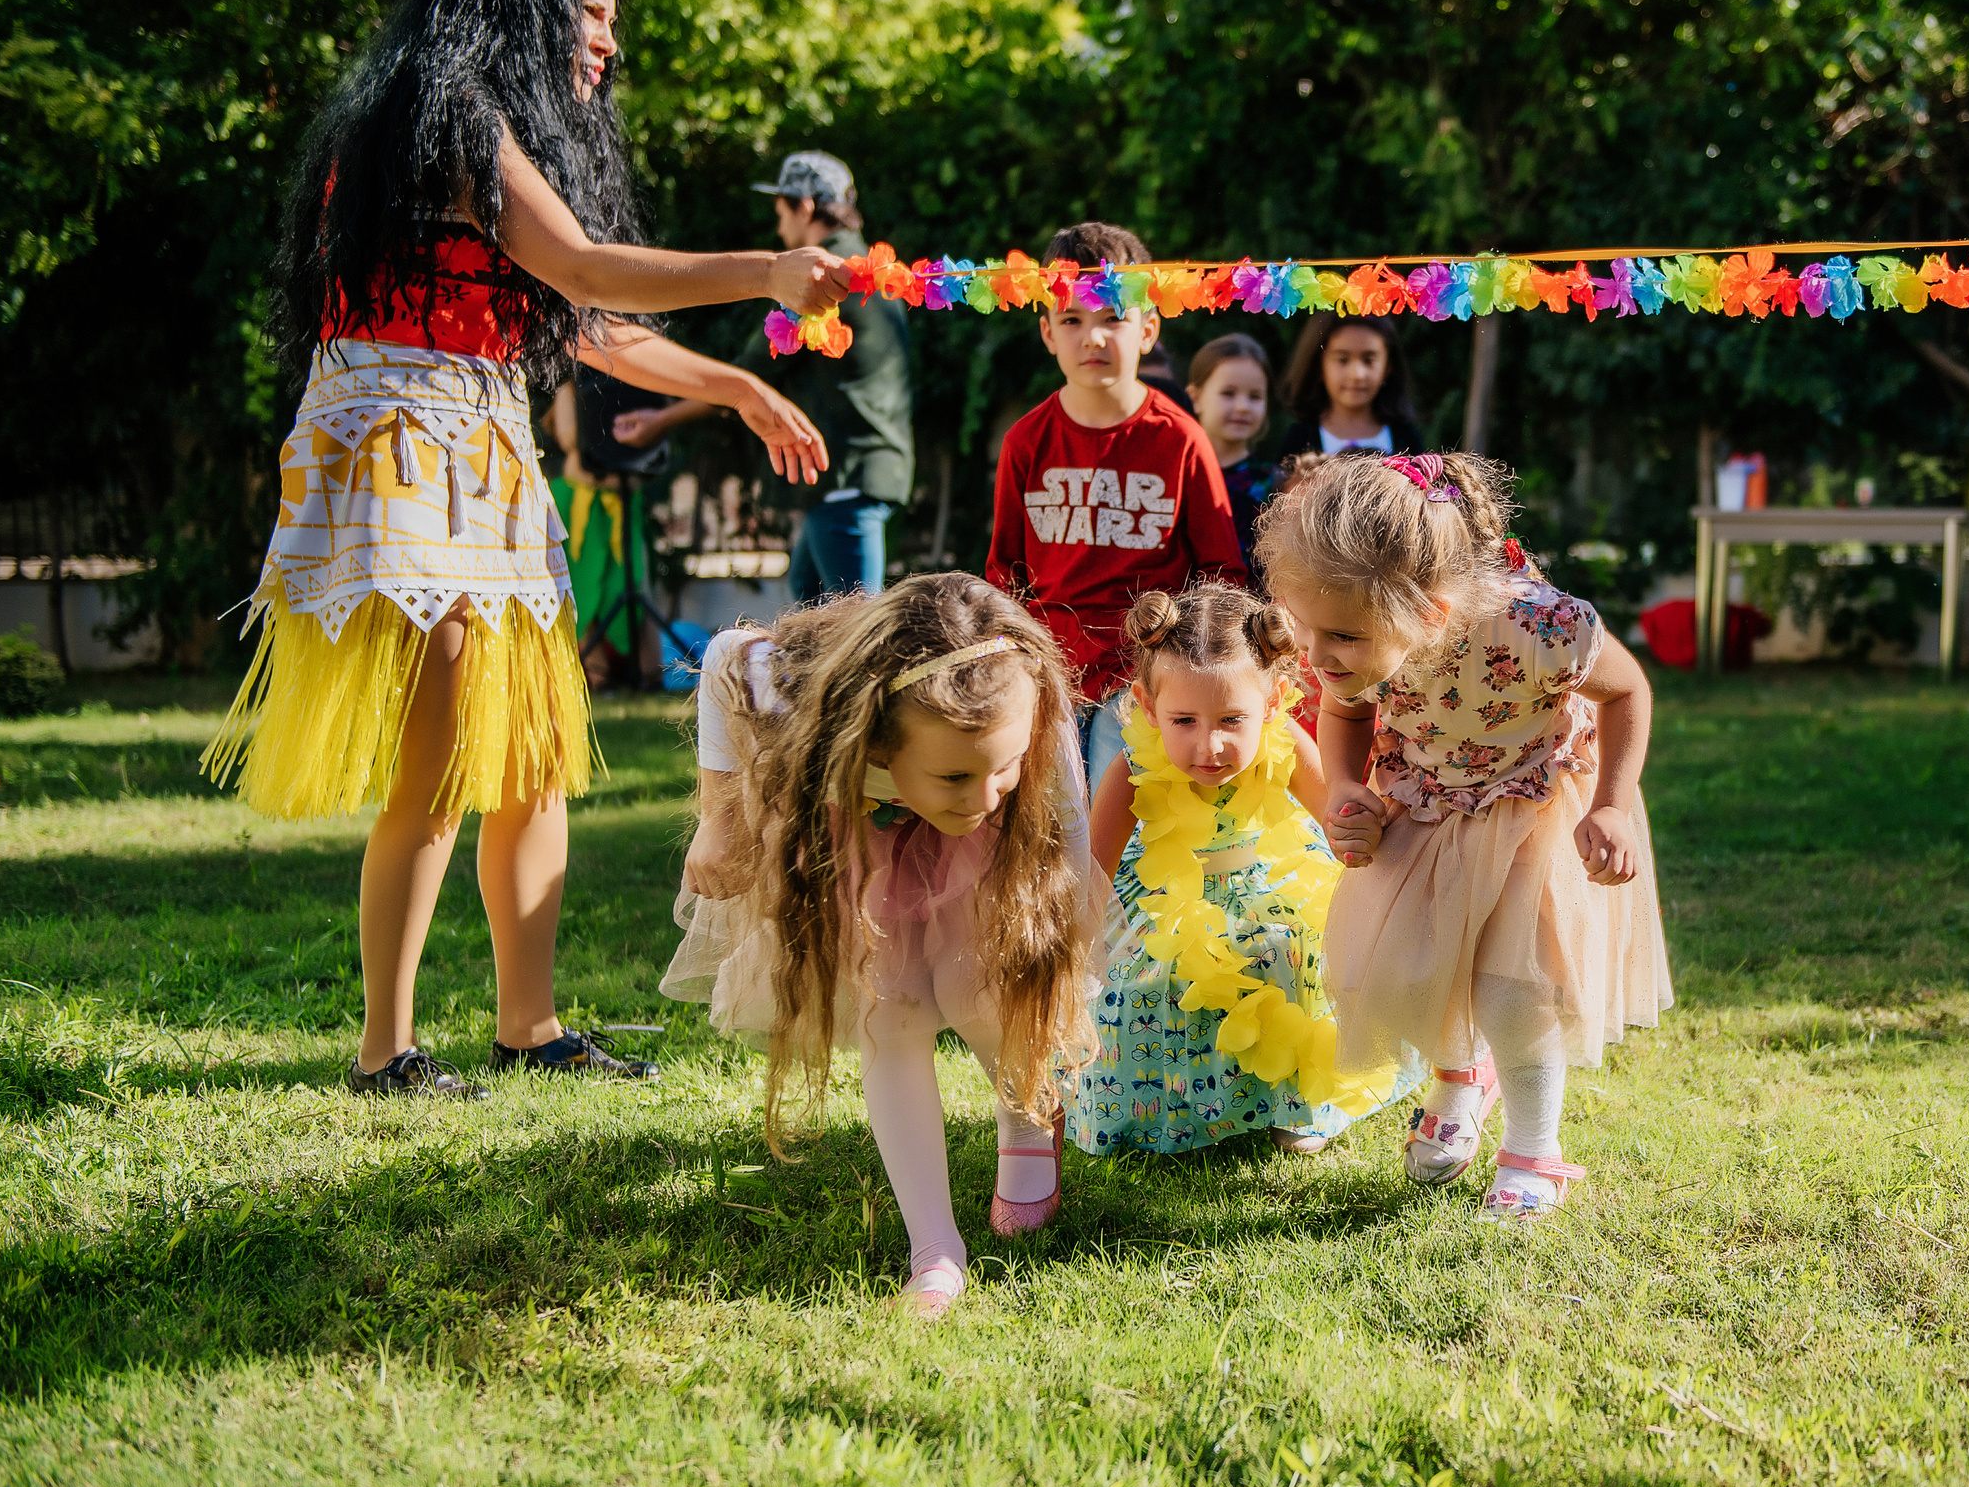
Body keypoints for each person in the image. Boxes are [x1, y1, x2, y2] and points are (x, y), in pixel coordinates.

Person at [200, 0, 850, 1099]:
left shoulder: (506, 135)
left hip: (486, 438)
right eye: (587, 14)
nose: (606, 41)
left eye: (611, 19)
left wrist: (735, 383)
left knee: (534, 755)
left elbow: (588, 321)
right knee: (442, 758)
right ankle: (385, 1050)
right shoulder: (440, 119)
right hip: (395, 432)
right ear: (515, 5)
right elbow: (592, 270)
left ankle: (528, 1026)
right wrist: (763, 271)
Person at [659, 573, 1098, 1318]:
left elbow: (1069, 844)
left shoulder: (1029, 715)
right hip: (867, 845)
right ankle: (935, 1249)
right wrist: (721, 814)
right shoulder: (803, 693)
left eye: (1003, 765)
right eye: (957, 773)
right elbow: (729, 657)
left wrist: (1068, 950)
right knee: (887, 1014)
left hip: (1000, 854)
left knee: (976, 987)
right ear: (882, 736)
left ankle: (1027, 1110)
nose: (985, 788)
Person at [1257, 452, 1672, 1220]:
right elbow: (1346, 712)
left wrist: (1612, 803)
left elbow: (1628, 690)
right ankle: (1461, 1071)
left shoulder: (1538, 624)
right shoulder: (1348, 632)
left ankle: (1533, 1149)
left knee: (1511, 987)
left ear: (1430, 616)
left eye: (1339, 638)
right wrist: (1347, 786)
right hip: (1424, 798)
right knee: (1417, 963)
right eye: (1308, 632)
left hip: (1531, 799)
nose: (1317, 658)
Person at [1072, 584, 1414, 1158]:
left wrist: (1360, 833)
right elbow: (1091, 876)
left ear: (1275, 702)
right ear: (1147, 707)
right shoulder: (1131, 768)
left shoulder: (1289, 745)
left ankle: (1297, 1105)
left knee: (1287, 951)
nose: (1211, 745)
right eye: (1183, 720)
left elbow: (1335, 817)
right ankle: (1165, 1110)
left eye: (1233, 719)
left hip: (1269, 880)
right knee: (1145, 983)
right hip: (1163, 894)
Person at [985, 221, 1247, 788]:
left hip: (1143, 681)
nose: (1093, 338)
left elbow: (1222, 573)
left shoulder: (1179, 440)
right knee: (1050, 832)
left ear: (1148, 329)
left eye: (1112, 319)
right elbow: (1006, 572)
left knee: (1118, 845)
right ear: (1048, 333)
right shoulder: (1026, 441)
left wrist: (1182, 661)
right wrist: (1015, 661)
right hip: (1047, 677)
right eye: (1072, 321)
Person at [614, 150, 912, 601]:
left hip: (842, 476)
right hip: (865, 469)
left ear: (806, 206)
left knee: (860, 629)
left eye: (780, 212)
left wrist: (660, 422)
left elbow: (746, 378)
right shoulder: (872, 272)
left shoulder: (822, 280)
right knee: (807, 595)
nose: (779, 229)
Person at [543, 370, 663, 689]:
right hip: (579, 501)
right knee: (582, 587)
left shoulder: (642, 372)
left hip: (623, 502)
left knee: (632, 586)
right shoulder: (572, 375)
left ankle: (650, 675)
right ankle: (597, 675)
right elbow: (569, 438)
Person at [1273, 314, 1424, 461]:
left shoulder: (1406, 438)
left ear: (1388, 367)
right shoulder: (1299, 439)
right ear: (1318, 366)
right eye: (1343, 360)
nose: (1357, 374)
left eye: (1368, 360)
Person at [1185, 334, 1276, 570]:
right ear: (1196, 398)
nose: (1242, 406)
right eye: (1228, 393)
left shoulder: (1275, 485)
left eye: (1254, 396)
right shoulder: (1177, 475)